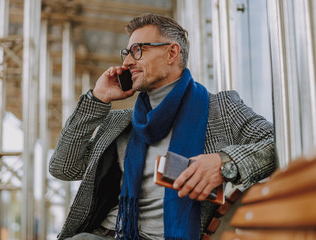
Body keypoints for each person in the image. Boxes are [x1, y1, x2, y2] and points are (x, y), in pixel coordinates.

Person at [49, 13, 276, 240]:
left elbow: (277, 143)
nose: (127, 62)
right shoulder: (120, 123)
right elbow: (63, 167)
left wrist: (225, 163)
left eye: (138, 50)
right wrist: (97, 99)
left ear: (172, 53)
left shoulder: (220, 109)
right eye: (127, 52)